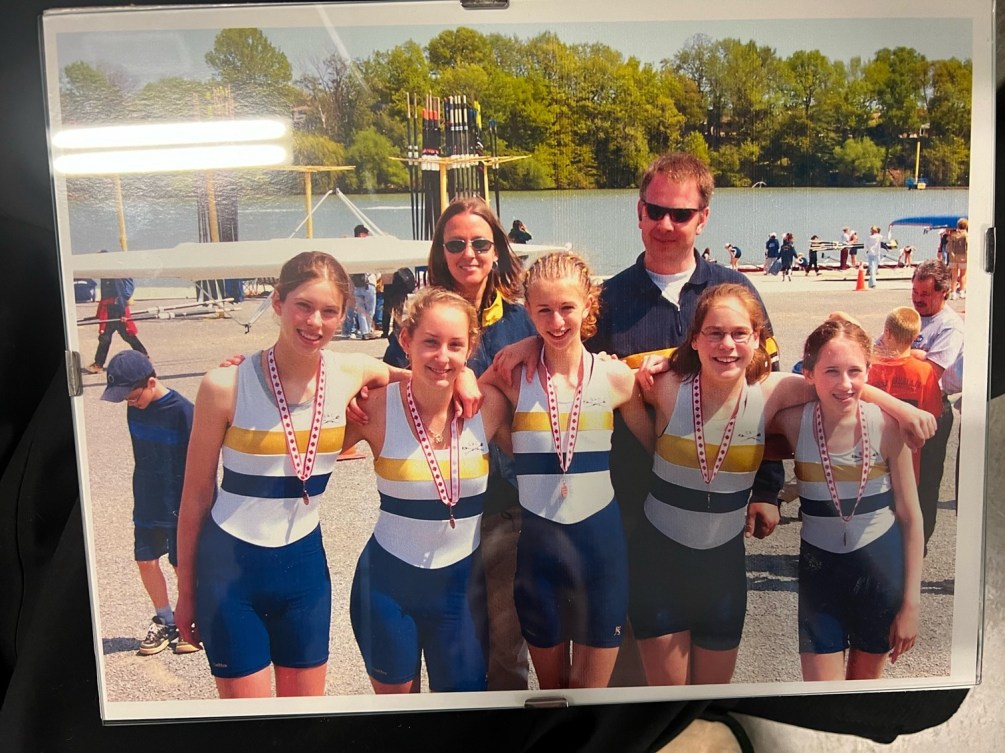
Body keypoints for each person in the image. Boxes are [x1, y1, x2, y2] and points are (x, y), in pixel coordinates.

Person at [631, 286, 931, 686]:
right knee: (667, 704)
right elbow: (599, 366)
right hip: (660, 562)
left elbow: (837, 383)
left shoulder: (772, 391)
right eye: (714, 333)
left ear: (757, 338)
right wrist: (524, 350)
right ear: (695, 338)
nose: (727, 344)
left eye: (740, 333)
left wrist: (899, 407)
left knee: (711, 699)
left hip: (722, 569)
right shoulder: (665, 384)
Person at [174, 251, 433, 699]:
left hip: (304, 574)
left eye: (329, 311)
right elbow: (196, 497)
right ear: (277, 303)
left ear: (343, 315)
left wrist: (467, 380)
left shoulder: (350, 371)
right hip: (231, 575)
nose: (315, 322)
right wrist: (185, 593)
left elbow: (422, 381)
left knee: (304, 723)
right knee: (250, 731)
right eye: (303, 306)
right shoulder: (224, 387)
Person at [383, 196, 537, 691]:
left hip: (503, 503)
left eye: (480, 243)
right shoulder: (416, 319)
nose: (468, 253)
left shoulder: (523, 321)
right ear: (440, 251)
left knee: (505, 643)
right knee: (446, 644)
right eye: (455, 244)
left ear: (498, 251)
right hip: (430, 512)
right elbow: (383, 382)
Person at [480, 252, 648, 690]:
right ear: (528, 311)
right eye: (543, 310)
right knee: (555, 700)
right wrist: (525, 348)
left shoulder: (616, 378)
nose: (556, 321)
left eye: (567, 307)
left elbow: (658, 445)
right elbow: (469, 401)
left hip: (602, 554)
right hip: (539, 554)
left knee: (590, 701)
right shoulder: (510, 379)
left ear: (589, 305)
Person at [345, 288, 510, 693]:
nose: (443, 356)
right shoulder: (374, 408)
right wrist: (252, 368)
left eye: (456, 345)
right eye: (430, 342)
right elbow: (297, 421)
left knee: (458, 722)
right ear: (406, 341)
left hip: (461, 593)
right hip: (387, 590)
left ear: (471, 347)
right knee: (403, 727)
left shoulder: (489, 406)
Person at [772, 318, 923, 681]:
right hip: (819, 572)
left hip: (880, 571)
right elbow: (760, 386)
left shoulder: (887, 427)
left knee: (862, 693)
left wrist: (911, 605)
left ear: (869, 372)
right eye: (831, 371)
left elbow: (911, 516)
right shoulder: (793, 421)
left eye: (855, 371)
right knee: (820, 696)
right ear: (808, 374)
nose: (845, 384)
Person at [99, 350, 201, 657]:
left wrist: (196, 503)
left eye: (131, 396)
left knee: (180, 563)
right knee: (145, 560)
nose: (129, 403)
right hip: (146, 497)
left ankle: (191, 620)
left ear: (152, 382)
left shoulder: (184, 411)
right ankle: (166, 619)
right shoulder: (135, 406)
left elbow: (201, 461)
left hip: (178, 500)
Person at [909, 260, 965, 551]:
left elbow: (933, 370)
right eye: (915, 292)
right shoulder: (910, 316)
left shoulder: (950, 325)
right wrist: (913, 355)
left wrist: (910, 355)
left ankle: (919, 546)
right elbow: (881, 350)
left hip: (933, 408)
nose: (918, 298)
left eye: (925, 294)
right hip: (903, 405)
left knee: (924, 484)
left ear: (944, 292)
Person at [869, 307, 943, 484]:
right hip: (908, 462)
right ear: (916, 336)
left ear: (887, 333)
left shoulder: (870, 368)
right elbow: (932, 415)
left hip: (871, 459)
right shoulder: (924, 371)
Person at [85, 265, 147, 374]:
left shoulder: (114, 274)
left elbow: (122, 294)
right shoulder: (105, 274)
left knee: (124, 335)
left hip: (116, 309)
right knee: (108, 337)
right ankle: (99, 364)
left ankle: (99, 364)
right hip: (109, 309)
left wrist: (122, 312)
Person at [947, 218, 969, 299]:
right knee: (963, 275)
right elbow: (968, 246)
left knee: (954, 276)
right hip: (963, 258)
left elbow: (948, 247)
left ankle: (953, 293)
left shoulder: (952, 235)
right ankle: (962, 292)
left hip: (953, 258)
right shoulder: (966, 235)